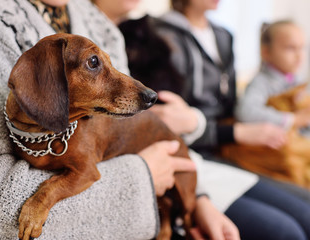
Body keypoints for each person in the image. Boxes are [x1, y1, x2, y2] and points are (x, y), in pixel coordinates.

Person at [0, 0, 199, 239]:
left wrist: (201, 201)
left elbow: (162, 144)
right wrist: (140, 178)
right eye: (93, 64)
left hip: (171, 174)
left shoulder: (98, 20)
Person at [96, 0, 310, 239]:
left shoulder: (223, 36)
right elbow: (168, 119)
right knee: (286, 230)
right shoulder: (155, 34)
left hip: (223, 148)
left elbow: (227, 108)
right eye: (291, 48)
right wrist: (230, 131)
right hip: (192, 150)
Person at [236, 20, 310, 130]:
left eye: (301, 47)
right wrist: (292, 120)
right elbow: (245, 111)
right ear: (266, 52)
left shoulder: (298, 81)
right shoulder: (261, 82)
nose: (299, 55)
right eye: (290, 48)